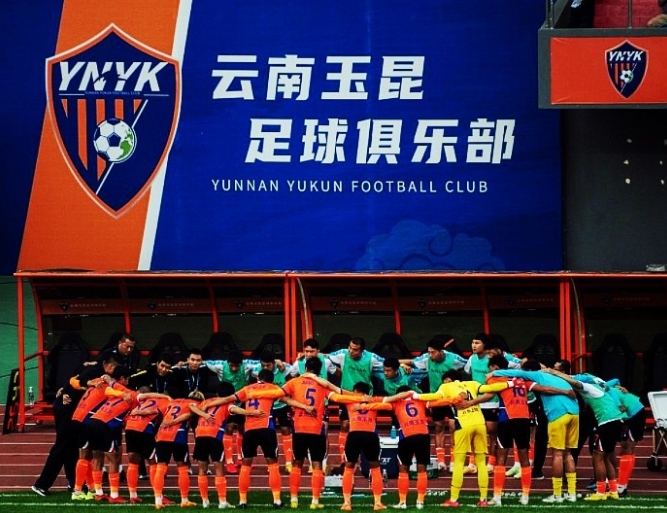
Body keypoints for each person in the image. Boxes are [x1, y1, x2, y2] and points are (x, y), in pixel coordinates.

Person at [206, 368, 313, 509]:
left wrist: (208, 404)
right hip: (266, 429)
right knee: (273, 465)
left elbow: (227, 399)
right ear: (271, 380)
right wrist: (305, 406)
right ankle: (277, 500)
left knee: (246, 465)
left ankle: (242, 501)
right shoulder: (273, 388)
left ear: (258, 378)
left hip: (249, 430)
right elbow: (287, 400)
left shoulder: (248, 388)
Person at [484, 355, 576, 506]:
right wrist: (564, 391)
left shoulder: (496, 379)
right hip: (523, 419)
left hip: (506, 418)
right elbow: (544, 389)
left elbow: (488, 392)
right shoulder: (523, 380)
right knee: (524, 457)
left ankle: (497, 497)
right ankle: (525, 497)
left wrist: (472, 401)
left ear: (495, 367)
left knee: (501, 457)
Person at [412, 369, 512, 508]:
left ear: (449, 379)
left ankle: (453, 499)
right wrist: (510, 383)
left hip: (463, 425)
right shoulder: (472, 383)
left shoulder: (446, 386)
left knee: (459, 463)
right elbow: (490, 388)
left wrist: (415, 396)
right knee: (481, 462)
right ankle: (483, 499)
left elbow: (434, 396)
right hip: (479, 423)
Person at [247, 357, 334, 509]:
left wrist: (255, 394)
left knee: (297, 463)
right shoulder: (322, 384)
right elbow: (338, 396)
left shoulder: (294, 382)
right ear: (319, 370)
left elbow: (279, 394)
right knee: (317, 464)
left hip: (299, 428)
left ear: (305, 368)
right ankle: (315, 502)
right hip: (316, 428)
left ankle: (294, 500)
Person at [31, 355, 119, 497]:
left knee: (72, 446)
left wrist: (66, 389)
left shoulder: (96, 372)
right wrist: (89, 383)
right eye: (113, 367)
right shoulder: (95, 372)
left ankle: (73, 482)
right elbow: (77, 381)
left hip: (72, 409)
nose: (114, 370)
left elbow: (73, 380)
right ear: (107, 364)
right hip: (66, 409)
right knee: (62, 445)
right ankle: (41, 484)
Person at [87, 370, 170, 503]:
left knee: (99, 456)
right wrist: (166, 397)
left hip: (93, 421)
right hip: (110, 425)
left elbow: (110, 381)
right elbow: (146, 399)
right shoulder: (134, 396)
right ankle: (116, 496)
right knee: (116, 459)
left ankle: (101, 493)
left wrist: (105, 378)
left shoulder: (120, 390)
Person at [545, 367, 627, 501]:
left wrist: (553, 373)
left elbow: (574, 382)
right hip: (616, 421)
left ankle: (600, 492)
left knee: (598, 457)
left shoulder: (590, 387)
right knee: (606, 457)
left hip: (607, 422)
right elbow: (613, 383)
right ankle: (613, 491)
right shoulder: (601, 387)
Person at [189, 381, 264, 509]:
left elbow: (192, 406)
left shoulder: (207, 401)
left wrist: (204, 415)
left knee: (202, 468)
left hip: (200, 434)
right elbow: (234, 409)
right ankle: (222, 502)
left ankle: (205, 501)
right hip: (214, 435)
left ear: (217, 392)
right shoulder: (228, 403)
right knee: (219, 468)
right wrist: (252, 413)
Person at [356, 386, 431, 510]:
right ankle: (420, 502)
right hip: (423, 435)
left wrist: (364, 406)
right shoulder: (420, 400)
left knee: (403, 468)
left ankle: (402, 502)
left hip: (406, 436)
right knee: (422, 468)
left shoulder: (396, 403)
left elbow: (380, 404)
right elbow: (437, 401)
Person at [400, 337, 467, 472]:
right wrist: (401, 365)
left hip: (452, 399)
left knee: (454, 427)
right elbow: (410, 362)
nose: (430, 355)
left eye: (433, 352)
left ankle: (454, 461)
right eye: (429, 352)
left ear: (441, 351)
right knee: (438, 427)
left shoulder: (455, 360)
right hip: (436, 398)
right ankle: (441, 461)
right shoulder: (426, 359)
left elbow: (468, 367)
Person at [463, 334, 522, 474]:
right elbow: (467, 371)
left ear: (485, 345)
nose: (474, 345)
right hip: (476, 402)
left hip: (492, 402)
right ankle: (472, 464)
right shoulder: (472, 359)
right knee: (474, 432)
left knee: (492, 434)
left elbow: (520, 365)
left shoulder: (499, 360)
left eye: (477, 343)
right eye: (472, 342)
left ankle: (491, 463)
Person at [326, 337, 385, 467]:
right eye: (350, 348)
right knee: (345, 424)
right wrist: (306, 357)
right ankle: (344, 459)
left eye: (355, 350)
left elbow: (387, 364)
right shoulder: (342, 354)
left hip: (366, 398)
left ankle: (368, 459)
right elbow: (325, 357)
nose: (351, 351)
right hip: (347, 397)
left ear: (362, 350)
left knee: (367, 426)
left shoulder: (371, 358)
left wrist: (402, 365)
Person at [152, 390, 206, 509]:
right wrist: (173, 422)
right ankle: (184, 499)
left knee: (160, 468)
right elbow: (189, 413)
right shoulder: (195, 404)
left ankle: (158, 500)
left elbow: (154, 411)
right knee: (182, 468)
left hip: (162, 435)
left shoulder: (174, 402)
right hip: (178, 436)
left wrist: (137, 412)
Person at [204, 350, 255, 473]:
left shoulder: (247, 366)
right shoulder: (220, 366)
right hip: (226, 402)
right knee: (229, 428)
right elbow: (203, 362)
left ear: (241, 364)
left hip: (241, 401)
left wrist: (278, 362)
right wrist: (184, 363)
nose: (234, 368)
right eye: (231, 365)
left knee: (242, 429)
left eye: (236, 366)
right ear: (227, 362)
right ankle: (229, 462)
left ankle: (240, 458)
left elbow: (262, 363)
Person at [124, 386, 173, 504]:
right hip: (143, 428)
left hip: (130, 427)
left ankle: (132, 495)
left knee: (133, 461)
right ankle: (159, 496)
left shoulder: (145, 401)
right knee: (153, 462)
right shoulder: (167, 402)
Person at [248, 352, 294, 472]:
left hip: (282, 404)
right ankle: (272, 463)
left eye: (268, 365)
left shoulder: (285, 368)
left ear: (274, 363)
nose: (265, 368)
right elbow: (243, 364)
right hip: (267, 406)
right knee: (269, 434)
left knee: (286, 430)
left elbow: (297, 372)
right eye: (263, 365)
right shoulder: (256, 370)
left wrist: (280, 362)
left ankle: (289, 462)